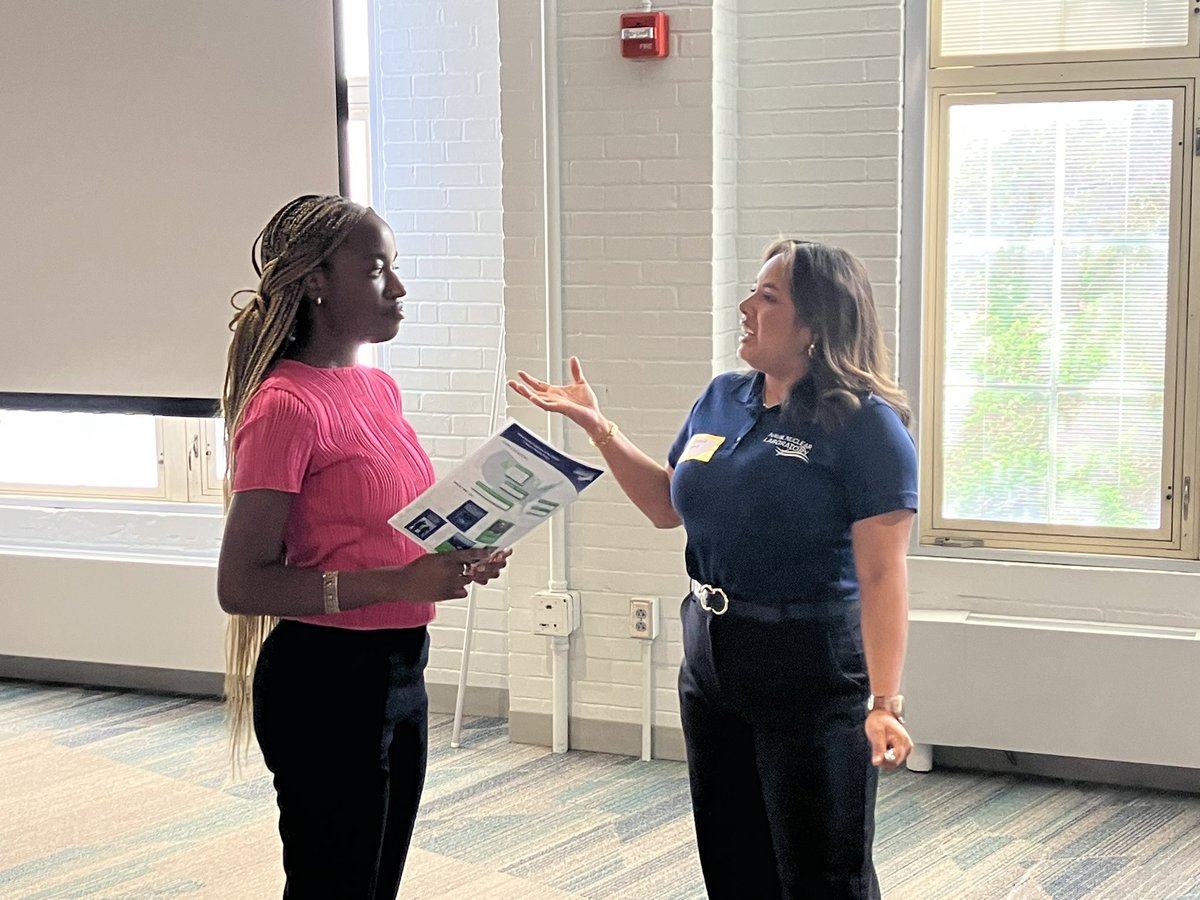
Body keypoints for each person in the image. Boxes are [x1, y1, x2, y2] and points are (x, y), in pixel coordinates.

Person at [509, 239, 916, 899]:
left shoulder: (865, 426)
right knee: (733, 861)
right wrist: (597, 425)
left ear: (816, 323)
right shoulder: (723, 398)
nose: (746, 305)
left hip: (808, 665)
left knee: (822, 874)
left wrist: (885, 703)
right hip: (711, 658)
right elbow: (667, 505)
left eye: (768, 296)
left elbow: (883, 578)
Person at [216, 193, 510, 899]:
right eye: (378, 270)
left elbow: (379, 536)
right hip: (324, 681)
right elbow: (242, 584)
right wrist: (395, 583)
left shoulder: (376, 388)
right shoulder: (285, 406)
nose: (399, 289)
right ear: (317, 282)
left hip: (399, 671)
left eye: (396, 268)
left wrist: (455, 555)